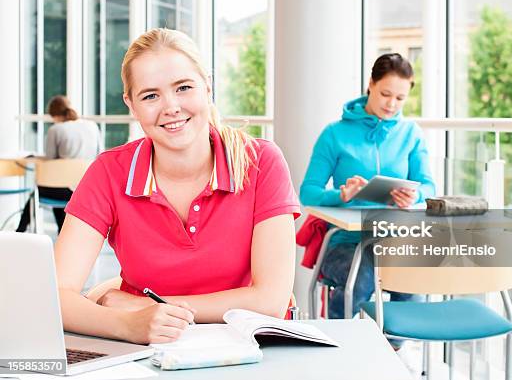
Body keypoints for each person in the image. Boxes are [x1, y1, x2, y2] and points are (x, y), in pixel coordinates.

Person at [54, 28, 300, 344]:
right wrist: (126, 324)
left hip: (246, 345)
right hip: (144, 347)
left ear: (207, 87)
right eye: (150, 95)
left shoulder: (261, 161)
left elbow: (270, 301)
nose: (170, 107)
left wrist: (147, 308)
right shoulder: (109, 172)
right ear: (131, 104)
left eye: (183, 87)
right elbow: (56, 295)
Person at [300, 53, 436, 320]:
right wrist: (341, 195)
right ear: (371, 84)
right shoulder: (334, 134)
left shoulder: (411, 135)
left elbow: (429, 186)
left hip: (394, 237)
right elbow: (308, 191)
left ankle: (394, 348)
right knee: (362, 274)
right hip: (344, 241)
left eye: (400, 98)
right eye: (386, 94)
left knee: (409, 277)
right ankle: (342, 345)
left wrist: (414, 195)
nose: (392, 104)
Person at [16, 95, 100, 233]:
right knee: (61, 185)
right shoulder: (92, 126)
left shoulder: (56, 129)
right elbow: (98, 154)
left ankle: (21, 230)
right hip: (85, 188)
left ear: (54, 115)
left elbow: (50, 158)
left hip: (61, 190)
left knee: (43, 190)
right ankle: (62, 232)